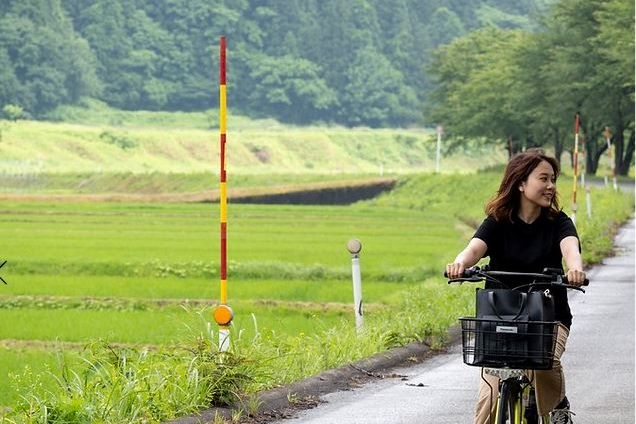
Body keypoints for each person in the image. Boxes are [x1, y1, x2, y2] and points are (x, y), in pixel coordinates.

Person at [446, 149, 586, 424]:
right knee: (489, 391)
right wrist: (459, 264)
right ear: (521, 182)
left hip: (548, 318)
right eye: (543, 179)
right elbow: (474, 249)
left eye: (553, 179)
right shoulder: (498, 221)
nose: (551, 186)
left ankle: (557, 408)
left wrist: (575, 268)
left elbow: (570, 247)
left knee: (544, 363)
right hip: (500, 317)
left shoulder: (558, 221)